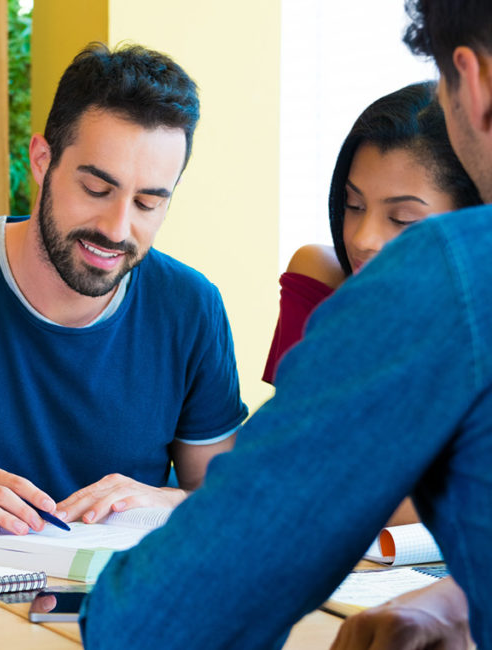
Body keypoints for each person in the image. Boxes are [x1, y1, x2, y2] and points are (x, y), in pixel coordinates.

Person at [81, 1, 492, 648]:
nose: (367, 239)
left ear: (474, 81)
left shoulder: (448, 273)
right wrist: (461, 598)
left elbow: (163, 619)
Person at [0, 43, 247, 545]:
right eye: (96, 189)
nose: (117, 228)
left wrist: (172, 501)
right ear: (42, 160)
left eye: (148, 203)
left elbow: (230, 499)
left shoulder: (191, 308)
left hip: (118, 605)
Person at [263, 81, 481, 386]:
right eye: (354, 205)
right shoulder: (318, 279)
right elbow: (292, 427)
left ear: (470, 218)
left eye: (401, 219)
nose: (362, 239)